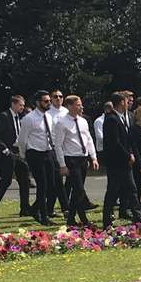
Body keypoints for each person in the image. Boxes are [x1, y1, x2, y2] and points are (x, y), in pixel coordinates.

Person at [19, 91, 59, 225]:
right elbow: (22, 139)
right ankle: (43, 216)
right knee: (42, 186)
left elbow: (52, 134)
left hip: (48, 152)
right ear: (38, 103)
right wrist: (23, 156)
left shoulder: (49, 116)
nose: (49, 103)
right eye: (46, 101)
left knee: (51, 186)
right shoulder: (29, 118)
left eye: (49, 101)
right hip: (35, 154)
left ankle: (34, 209)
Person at [101, 91, 140, 227]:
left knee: (132, 189)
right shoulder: (111, 119)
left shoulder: (123, 118)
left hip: (125, 162)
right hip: (116, 162)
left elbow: (126, 140)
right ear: (121, 102)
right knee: (113, 191)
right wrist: (127, 155)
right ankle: (106, 219)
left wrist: (131, 153)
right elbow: (115, 142)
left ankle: (138, 216)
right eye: (126, 101)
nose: (128, 103)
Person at [58, 95, 98, 227]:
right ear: (69, 106)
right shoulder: (62, 122)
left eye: (80, 104)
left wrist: (93, 157)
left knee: (77, 191)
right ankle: (82, 218)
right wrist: (62, 165)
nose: (80, 106)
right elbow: (58, 145)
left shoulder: (83, 121)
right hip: (71, 158)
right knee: (79, 190)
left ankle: (72, 218)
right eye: (77, 104)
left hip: (82, 158)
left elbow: (89, 139)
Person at [0, 94, 31, 217]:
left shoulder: (20, 117)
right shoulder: (4, 117)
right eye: (20, 105)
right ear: (13, 104)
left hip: (18, 152)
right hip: (7, 154)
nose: (22, 108)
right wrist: (5, 150)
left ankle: (25, 208)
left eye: (23, 105)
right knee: (6, 181)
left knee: (25, 180)